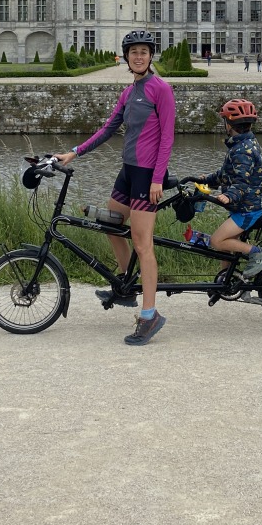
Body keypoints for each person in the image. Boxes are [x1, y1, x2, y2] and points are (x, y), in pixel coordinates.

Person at [55, 29, 175, 346]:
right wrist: (75, 152)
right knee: (111, 223)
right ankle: (127, 285)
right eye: (133, 52)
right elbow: (109, 129)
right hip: (128, 171)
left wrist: (157, 179)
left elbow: (167, 138)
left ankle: (150, 315)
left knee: (142, 243)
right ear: (126, 57)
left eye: (144, 52)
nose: (138, 56)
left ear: (151, 56)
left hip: (147, 174)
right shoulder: (129, 92)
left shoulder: (160, 89)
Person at [189, 98, 262, 278]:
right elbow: (226, 174)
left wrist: (230, 196)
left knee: (218, 241)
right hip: (243, 207)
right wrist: (207, 180)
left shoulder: (242, 150)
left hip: (247, 210)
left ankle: (257, 253)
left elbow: (241, 181)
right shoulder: (243, 144)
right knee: (227, 246)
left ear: (229, 123)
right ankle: (224, 280)